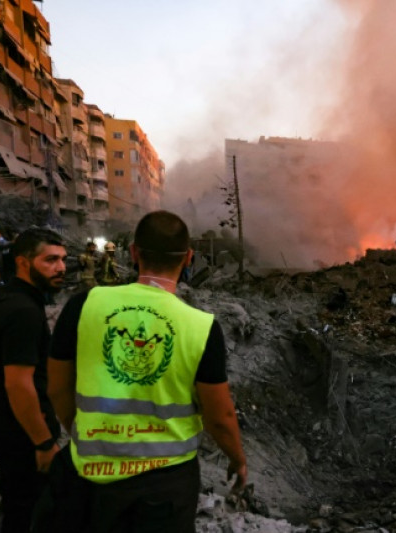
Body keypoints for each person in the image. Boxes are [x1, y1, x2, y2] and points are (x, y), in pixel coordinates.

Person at [46, 210, 247, 532]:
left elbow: (56, 387)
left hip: (89, 476)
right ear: (189, 258)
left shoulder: (84, 305)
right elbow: (219, 416)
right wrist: (237, 459)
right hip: (164, 487)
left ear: (134, 252)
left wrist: (83, 434)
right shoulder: (201, 327)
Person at [0, 228, 67, 532]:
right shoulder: (23, 311)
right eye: (50, 260)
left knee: (17, 497)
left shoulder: (0, 295)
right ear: (24, 262)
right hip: (20, 428)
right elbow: (18, 383)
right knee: (31, 508)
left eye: (63, 259)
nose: (61, 268)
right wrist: (42, 441)